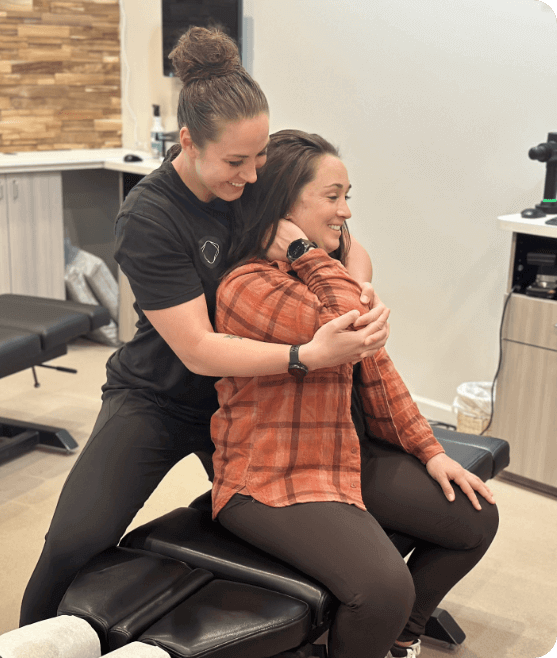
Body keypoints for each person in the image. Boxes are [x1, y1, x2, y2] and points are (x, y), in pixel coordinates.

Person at [19, 28, 390, 626]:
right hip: (162, 399)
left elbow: (346, 242)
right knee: (73, 541)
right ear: (188, 142)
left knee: (312, 515)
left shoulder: (252, 182)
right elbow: (197, 349)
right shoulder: (150, 215)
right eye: (235, 161)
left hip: (248, 399)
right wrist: (306, 355)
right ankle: (26, 639)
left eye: (261, 156)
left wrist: (359, 288)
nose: (250, 176)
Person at [211, 130, 500, 658]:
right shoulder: (247, 284)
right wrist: (304, 248)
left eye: (349, 196)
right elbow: (346, 321)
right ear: (282, 205)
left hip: (342, 455)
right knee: (385, 590)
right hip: (271, 477)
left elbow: (380, 373)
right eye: (333, 196)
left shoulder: (324, 273)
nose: (346, 211)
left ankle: (400, 637)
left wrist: (432, 452)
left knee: (474, 519)